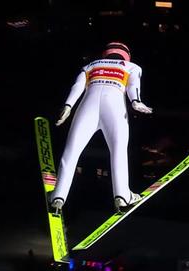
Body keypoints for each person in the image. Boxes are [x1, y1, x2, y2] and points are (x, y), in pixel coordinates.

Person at [50, 42, 153, 211]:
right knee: (118, 151)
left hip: (86, 107)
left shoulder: (91, 65)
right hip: (114, 107)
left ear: (105, 53)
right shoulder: (132, 66)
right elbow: (133, 85)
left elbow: (77, 87)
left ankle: (58, 196)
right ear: (126, 54)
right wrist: (136, 102)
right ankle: (122, 196)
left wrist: (67, 106)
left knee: (71, 152)